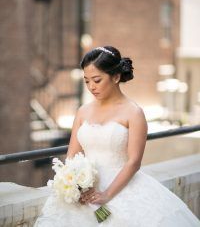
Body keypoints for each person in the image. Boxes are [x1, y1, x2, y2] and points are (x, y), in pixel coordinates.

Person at [34, 46, 200, 226]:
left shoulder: (133, 112)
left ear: (116, 77)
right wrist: (75, 185)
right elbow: (72, 156)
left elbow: (134, 162)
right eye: (87, 81)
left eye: (97, 80)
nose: (91, 87)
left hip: (120, 185)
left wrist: (107, 195)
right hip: (85, 190)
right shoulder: (82, 112)